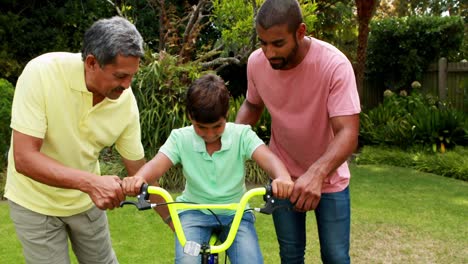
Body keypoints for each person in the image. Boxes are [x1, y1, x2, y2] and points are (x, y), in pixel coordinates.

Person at [5, 16, 150, 264]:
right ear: (92, 62)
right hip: (35, 203)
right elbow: (24, 158)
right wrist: (93, 184)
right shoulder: (41, 73)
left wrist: (180, 224)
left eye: (132, 76)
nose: (128, 85)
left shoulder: (125, 102)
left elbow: (139, 170)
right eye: (120, 76)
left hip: (86, 205)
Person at [235, 0, 361, 263]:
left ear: (300, 32)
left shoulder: (334, 64)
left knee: (336, 257)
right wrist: (230, 143)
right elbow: (252, 104)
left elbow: (347, 132)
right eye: (263, 43)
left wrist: (316, 174)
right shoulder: (257, 63)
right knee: (290, 256)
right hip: (283, 179)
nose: (269, 53)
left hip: (330, 180)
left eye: (278, 43)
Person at [122, 73, 294, 264]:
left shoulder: (241, 135)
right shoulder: (180, 138)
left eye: (217, 126)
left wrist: (283, 176)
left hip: (236, 214)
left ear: (226, 116)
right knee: (188, 261)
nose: (210, 134)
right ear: (190, 117)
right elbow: (155, 165)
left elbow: (269, 159)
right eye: (201, 127)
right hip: (193, 212)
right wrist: (139, 179)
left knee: (250, 260)